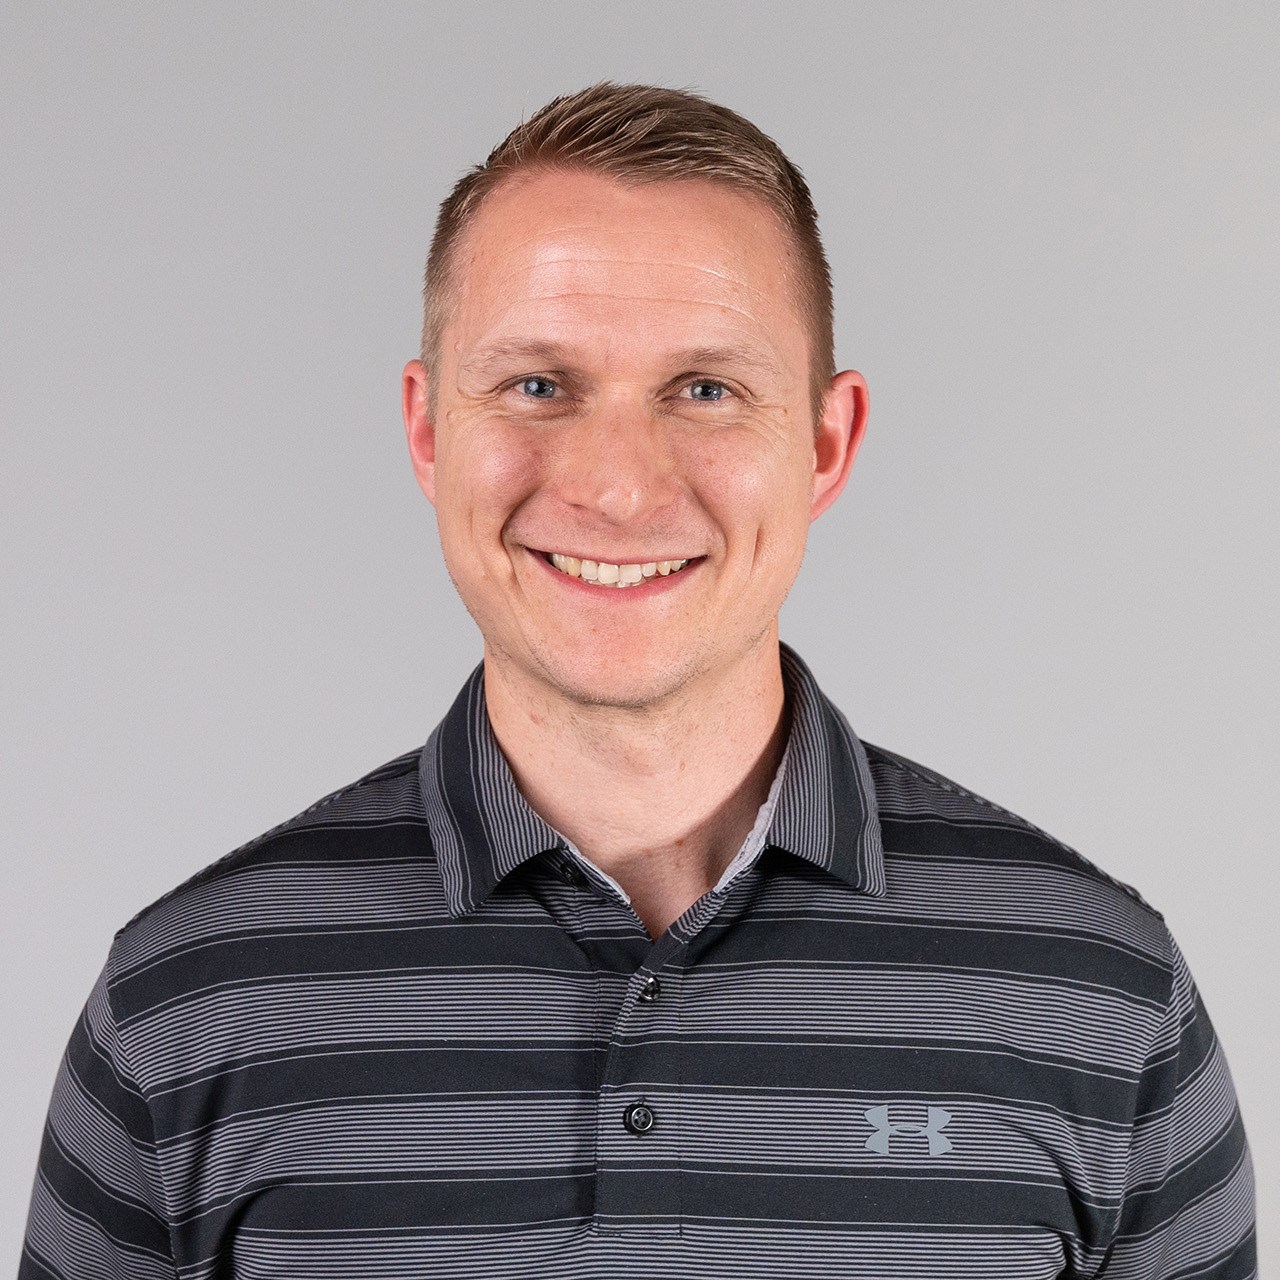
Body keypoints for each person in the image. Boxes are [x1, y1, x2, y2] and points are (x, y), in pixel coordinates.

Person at [21, 83, 1255, 1279]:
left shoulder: (1097, 995)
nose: (615, 486)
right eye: (536, 385)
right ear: (428, 428)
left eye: (704, 389)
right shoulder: (185, 1002)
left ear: (824, 443)